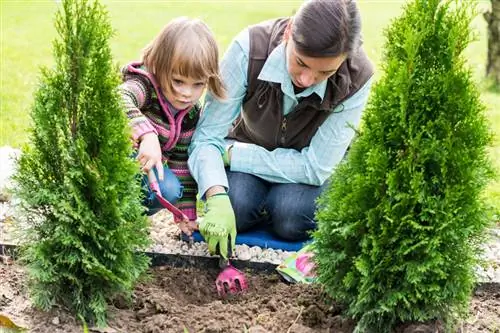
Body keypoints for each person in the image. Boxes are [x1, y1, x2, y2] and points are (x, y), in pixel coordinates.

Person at [188, 0, 374, 259]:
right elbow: (207, 137)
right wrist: (215, 193)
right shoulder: (249, 48)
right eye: (301, 62)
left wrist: (233, 155)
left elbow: (315, 167)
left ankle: (273, 204)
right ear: (289, 31)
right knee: (235, 206)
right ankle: (260, 203)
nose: (307, 80)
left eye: (325, 72)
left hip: (305, 172)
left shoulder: (358, 77)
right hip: (252, 141)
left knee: (291, 215)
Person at [120, 17, 225, 235]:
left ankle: (126, 221)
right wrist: (146, 134)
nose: (187, 93)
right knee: (154, 182)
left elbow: (180, 163)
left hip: (142, 168)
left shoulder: (190, 113)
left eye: (198, 85)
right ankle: (113, 214)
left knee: (170, 188)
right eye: (178, 81)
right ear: (159, 66)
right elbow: (119, 98)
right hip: (114, 159)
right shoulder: (145, 83)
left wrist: (185, 216)